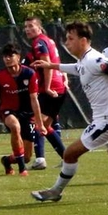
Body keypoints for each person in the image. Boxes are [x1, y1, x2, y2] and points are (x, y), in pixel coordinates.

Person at [28, 21, 108, 202]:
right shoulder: (85, 60)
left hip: (107, 120)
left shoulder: (95, 59)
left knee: (69, 154)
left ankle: (55, 191)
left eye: (70, 38)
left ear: (83, 40)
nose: (66, 43)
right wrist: (51, 66)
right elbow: (75, 68)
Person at [0, 43, 44, 176]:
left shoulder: (29, 73)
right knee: (15, 126)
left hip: (27, 114)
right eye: (5, 56)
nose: (7, 59)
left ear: (18, 57)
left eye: (10, 56)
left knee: (27, 156)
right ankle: (22, 169)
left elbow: (34, 99)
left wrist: (40, 123)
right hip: (8, 111)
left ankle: (7, 161)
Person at [22, 17, 67, 169]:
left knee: (37, 123)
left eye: (31, 26)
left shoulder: (39, 43)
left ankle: (40, 159)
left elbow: (47, 65)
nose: (27, 29)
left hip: (51, 87)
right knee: (46, 127)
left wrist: (46, 87)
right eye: (26, 27)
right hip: (60, 87)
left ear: (39, 28)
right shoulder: (48, 40)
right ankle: (67, 157)